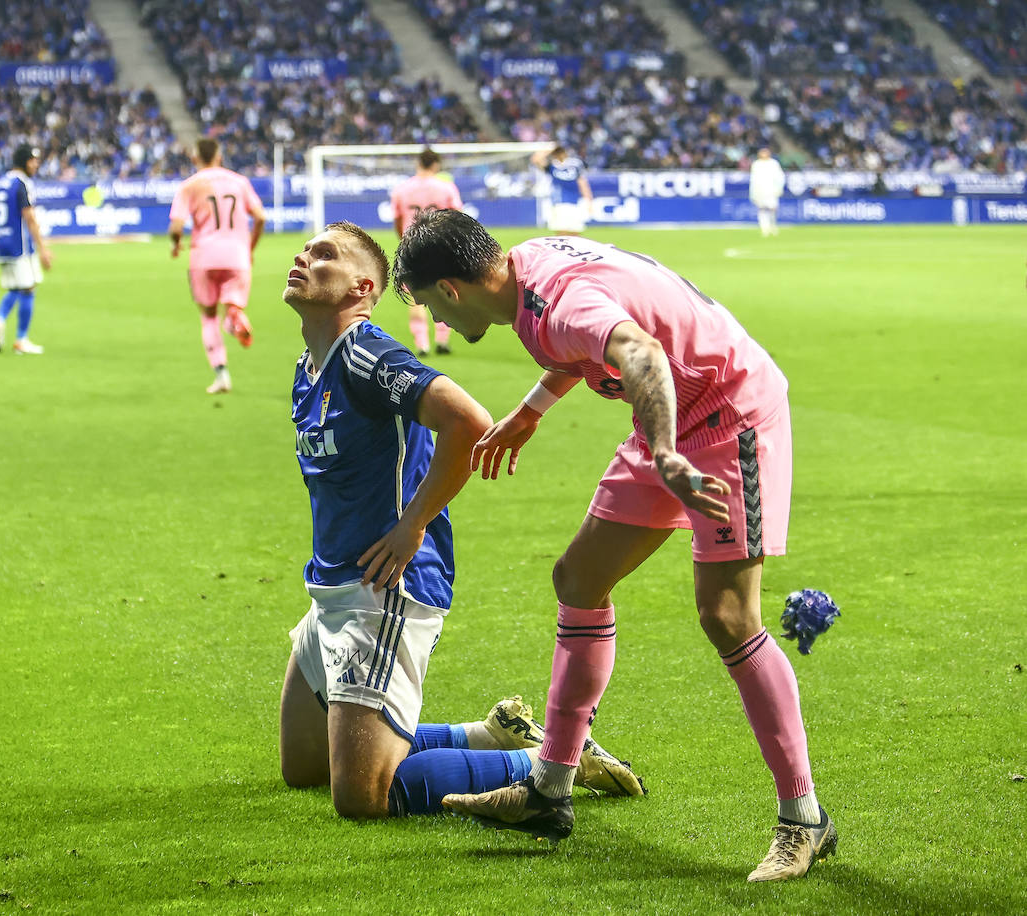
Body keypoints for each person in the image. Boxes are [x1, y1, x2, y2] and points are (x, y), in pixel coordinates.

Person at [392, 209, 833, 881]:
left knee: (727, 616)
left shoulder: (559, 303)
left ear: (451, 289)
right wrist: (533, 409)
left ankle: (805, 820)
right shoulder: (527, 272)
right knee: (579, 580)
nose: (439, 323)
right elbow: (585, 343)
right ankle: (549, 791)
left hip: (728, 413)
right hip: (670, 417)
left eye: (430, 306)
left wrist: (662, 452)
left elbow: (640, 352)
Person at [278, 220, 644, 820]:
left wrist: (413, 522)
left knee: (362, 796)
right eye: (305, 250)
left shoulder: (368, 355)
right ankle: (493, 733)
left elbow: (469, 422)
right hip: (332, 587)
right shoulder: (309, 364)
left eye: (324, 256)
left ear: (361, 287)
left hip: (382, 589)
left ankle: (550, 760)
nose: (302, 258)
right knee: (306, 767)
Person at [170, 138, 266, 394]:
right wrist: (250, 247)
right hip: (237, 255)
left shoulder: (190, 185)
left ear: (194, 158)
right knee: (231, 305)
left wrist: (176, 244)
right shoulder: (239, 182)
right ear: (219, 156)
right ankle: (234, 317)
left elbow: (176, 227)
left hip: (204, 256)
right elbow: (260, 217)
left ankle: (221, 374)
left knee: (209, 316)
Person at [389, 149, 463, 357]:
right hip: (440, 245)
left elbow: (397, 219)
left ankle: (422, 344)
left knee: (415, 297)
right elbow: (457, 217)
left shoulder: (402, 189)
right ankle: (442, 340)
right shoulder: (446, 187)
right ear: (436, 165)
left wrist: (403, 239)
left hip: (412, 246)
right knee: (446, 292)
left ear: (418, 163)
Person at [0, 144, 53, 355]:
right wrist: (43, 248)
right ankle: (21, 340)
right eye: (34, 160)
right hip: (20, 245)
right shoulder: (21, 183)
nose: (36, 165)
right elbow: (30, 217)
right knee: (29, 288)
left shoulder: (2, 182)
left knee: (16, 287)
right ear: (25, 161)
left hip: (2, 243)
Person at [532, 146, 592, 236]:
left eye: (560, 152)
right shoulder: (552, 167)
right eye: (557, 153)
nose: (559, 155)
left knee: (575, 235)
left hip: (574, 203)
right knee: (561, 235)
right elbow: (535, 159)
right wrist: (550, 149)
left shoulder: (575, 166)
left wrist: (589, 200)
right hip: (559, 204)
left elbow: (582, 184)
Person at [749, 147, 785, 237]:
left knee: (773, 208)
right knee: (762, 209)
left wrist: (779, 188)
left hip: (771, 190)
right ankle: (764, 228)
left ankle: (773, 225)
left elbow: (780, 177)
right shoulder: (756, 164)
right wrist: (752, 192)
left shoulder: (774, 163)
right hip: (760, 191)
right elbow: (753, 179)